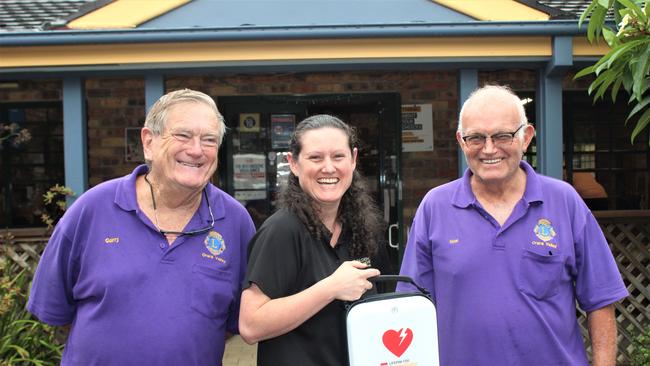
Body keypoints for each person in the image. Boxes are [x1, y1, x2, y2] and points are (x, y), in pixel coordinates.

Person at [397, 85, 628, 366]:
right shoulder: (435, 207)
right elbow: (411, 308)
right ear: (461, 141)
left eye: (502, 136)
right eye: (476, 138)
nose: (489, 148)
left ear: (526, 136)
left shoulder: (564, 202)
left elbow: (601, 300)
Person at [28, 89, 256, 365]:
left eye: (209, 140)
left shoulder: (234, 221)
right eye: (183, 135)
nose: (196, 150)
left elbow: (234, 322)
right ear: (149, 142)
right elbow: (56, 311)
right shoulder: (91, 210)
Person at [239, 114, 387, 365]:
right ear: (293, 164)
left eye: (338, 156)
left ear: (353, 160)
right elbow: (251, 325)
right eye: (315, 157)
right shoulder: (281, 231)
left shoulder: (365, 229)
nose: (328, 168)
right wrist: (331, 288)